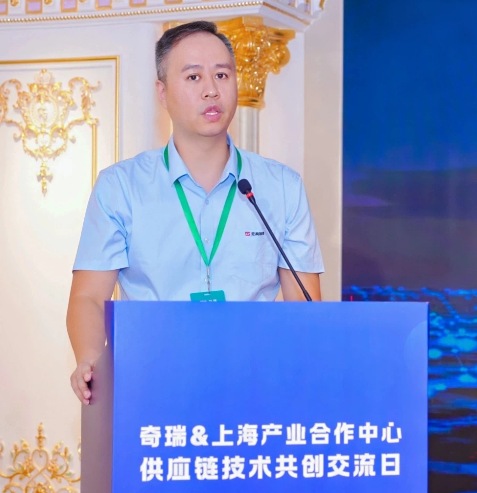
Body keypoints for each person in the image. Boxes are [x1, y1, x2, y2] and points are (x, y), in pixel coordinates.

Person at [66, 21, 324, 404]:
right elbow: (88, 296)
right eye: (193, 77)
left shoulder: (281, 187)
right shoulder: (121, 187)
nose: (211, 89)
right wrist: (91, 360)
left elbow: (304, 304)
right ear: (163, 92)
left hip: (255, 389)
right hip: (152, 388)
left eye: (222, 74)